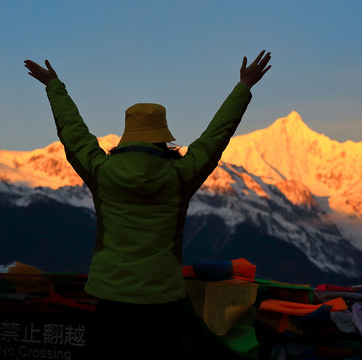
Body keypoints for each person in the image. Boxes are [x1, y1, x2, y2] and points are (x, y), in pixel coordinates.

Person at [24, 50, 271, 359]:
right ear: (162, 139)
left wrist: (54, 86)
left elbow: (73, 134)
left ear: (128, 136)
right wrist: (243, 87)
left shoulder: (101, 171)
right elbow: (215, 137)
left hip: (110, 300)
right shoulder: (181, 175)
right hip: (162, 303)